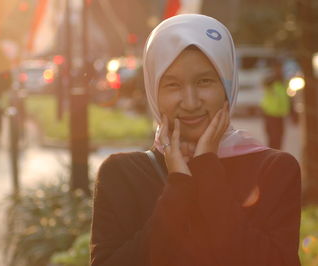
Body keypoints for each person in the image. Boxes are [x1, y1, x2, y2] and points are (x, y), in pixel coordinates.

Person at [90, 14, 301, 266]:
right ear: (153, 90)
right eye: (172, 85)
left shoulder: (275, 170)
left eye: (204, 81)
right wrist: (178, 186)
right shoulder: (122, 174)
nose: (190, 102)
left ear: (227, 86)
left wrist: (206, 168)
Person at [260, 59, 291, 149]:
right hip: (270, 114)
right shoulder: (270, 79)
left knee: (279, 139)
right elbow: (265, 83)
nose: (279, 70)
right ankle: (273, 160)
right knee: (273, 139)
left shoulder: (283, 80)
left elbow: (287, 96)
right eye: (277, 68)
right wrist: (275, 77)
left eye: (280, 68)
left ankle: (277, 159)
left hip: (280, 115)